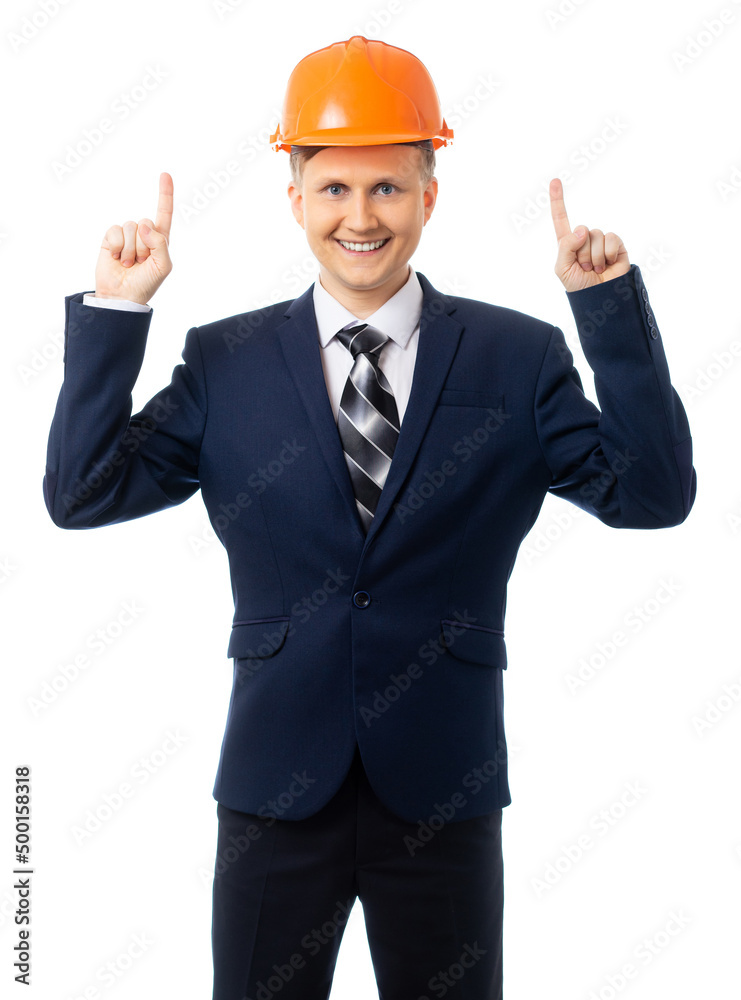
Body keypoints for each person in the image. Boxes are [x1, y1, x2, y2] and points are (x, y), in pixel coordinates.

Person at [43, 34, 696, 1000]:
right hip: (273, 791)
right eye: (335, 189)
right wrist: (116, 310)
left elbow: (651, 496)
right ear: (295, 198)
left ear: (429, 194)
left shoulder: (515, 358)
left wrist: (604, 311)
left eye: (387, 188)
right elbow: (82, 493)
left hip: (443, 789)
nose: (361, 217)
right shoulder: (226, 361)